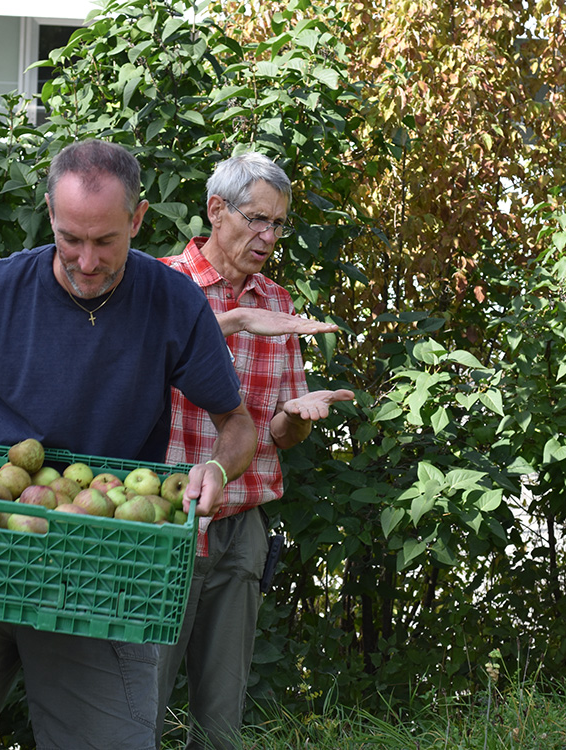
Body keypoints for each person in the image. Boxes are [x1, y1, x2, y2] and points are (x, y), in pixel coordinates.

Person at [0, 139, 257, 750]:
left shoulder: (173, 305)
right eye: (70, 238)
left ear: (137, 221)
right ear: (50, 216)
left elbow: (237, 423)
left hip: (100, 566)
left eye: (106, 241)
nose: (86, 261)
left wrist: (217, 467)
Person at [156, 152, 356, 750]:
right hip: (164, 521)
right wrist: (236, 319)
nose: (268, 237)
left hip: (242, 528)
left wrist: (296, 419)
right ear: (217, 211)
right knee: (134, 704)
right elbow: (144, 363)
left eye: (278, 225)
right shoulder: (161, 284)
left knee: (220, 724)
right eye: (257, 220)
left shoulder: (279, 301)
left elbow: (276, 434)